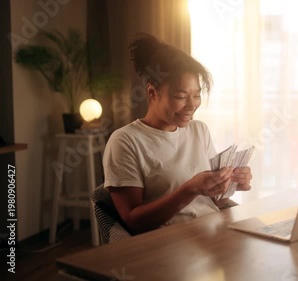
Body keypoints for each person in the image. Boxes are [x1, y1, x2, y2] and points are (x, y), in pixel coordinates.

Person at [102, 33, 252, 235]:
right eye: (180, 96)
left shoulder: (199, 130)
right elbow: (132, 221)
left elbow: (211, 200)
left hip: (212, 234)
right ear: (152, 92)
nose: (192, 105)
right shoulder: (125, 141)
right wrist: (190, 189)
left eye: (197, 95)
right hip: (168, 244)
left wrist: (229, 183)